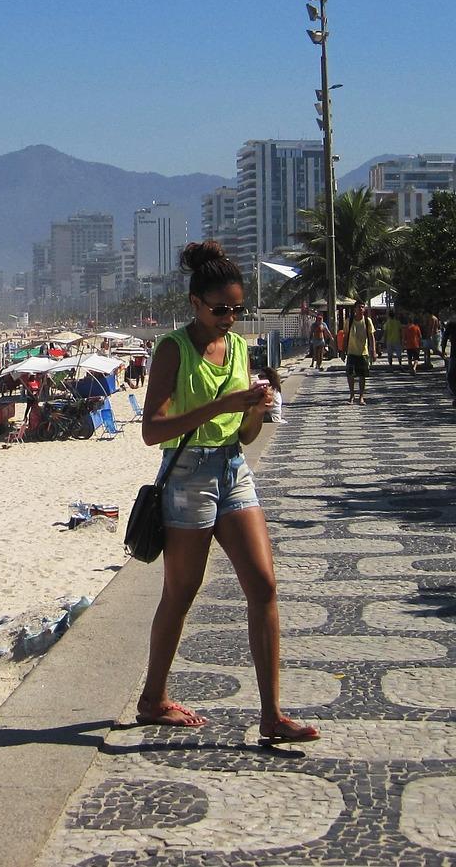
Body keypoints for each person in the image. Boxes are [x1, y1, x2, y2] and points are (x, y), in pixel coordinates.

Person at [137, 240, 317, 744]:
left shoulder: (238, 348)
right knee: (181, 592)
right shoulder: (172, 348)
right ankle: (153, 699)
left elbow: (242, 436)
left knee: (263, 586)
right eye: (221, 310)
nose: (230, 319)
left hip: (233, 470)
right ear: (195, 303)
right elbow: (153, 429)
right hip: (188, 477)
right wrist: (224, 404)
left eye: (237, 309)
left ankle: (272, 716)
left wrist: (255, 412)